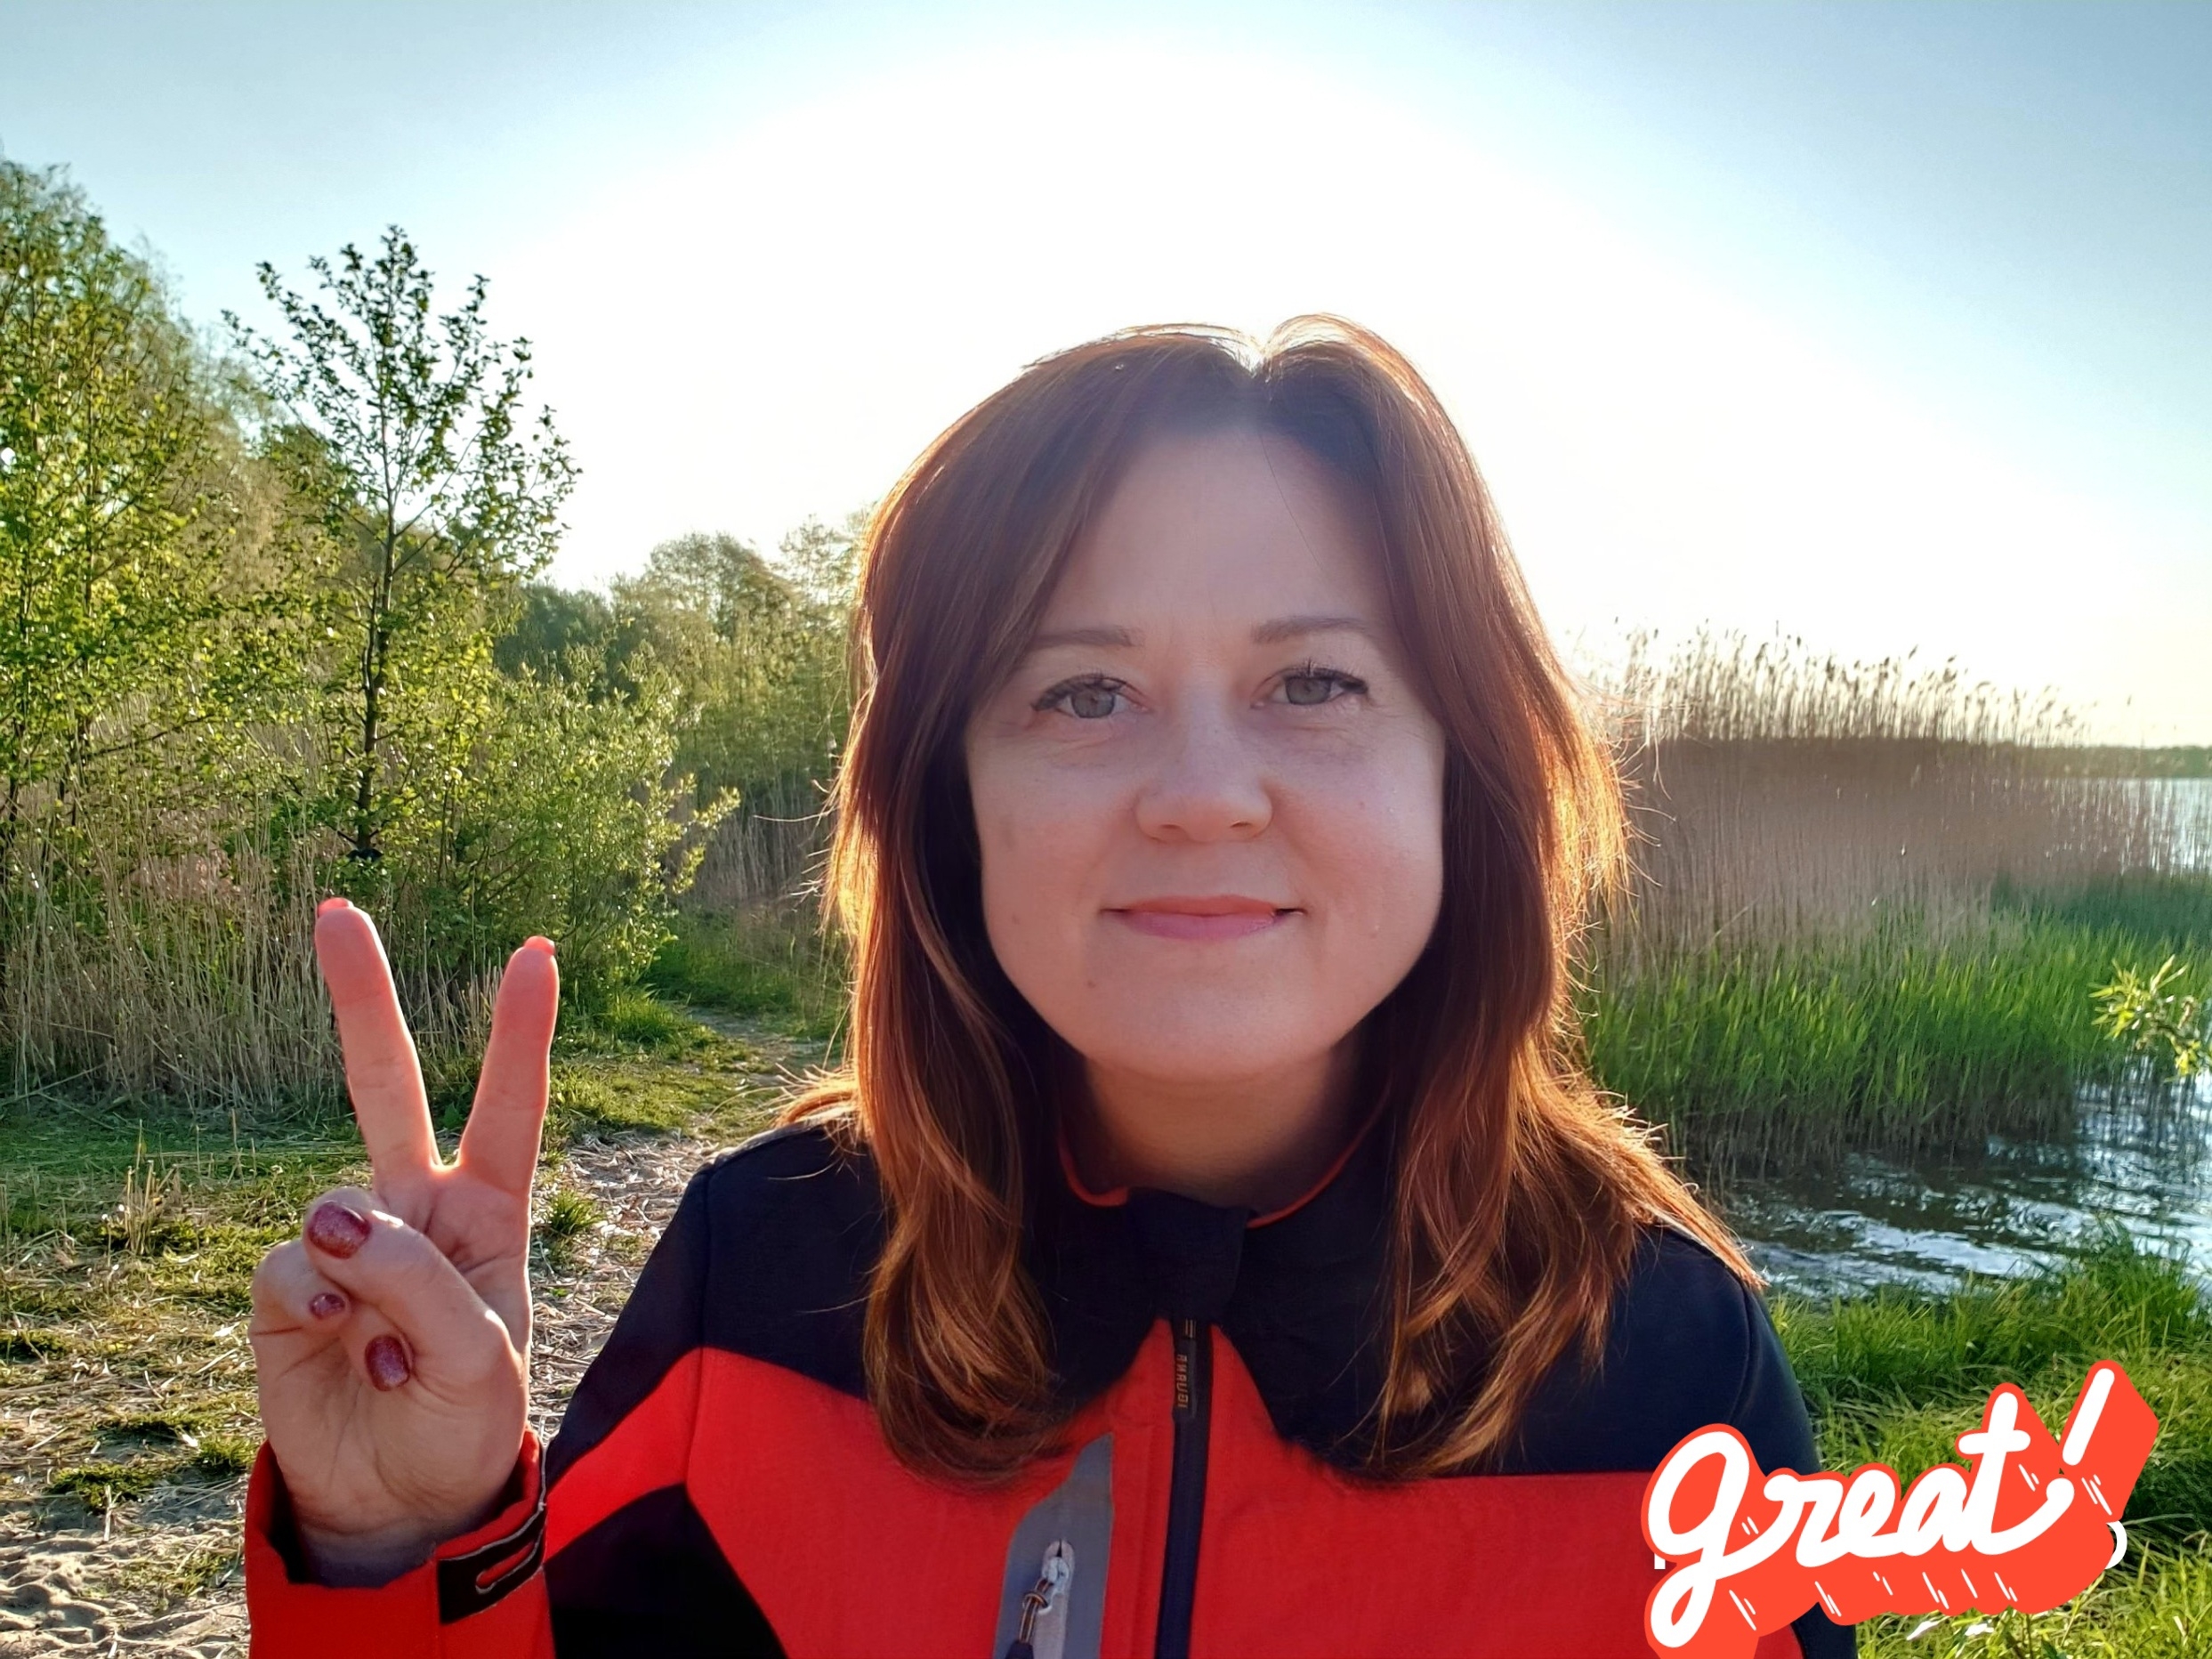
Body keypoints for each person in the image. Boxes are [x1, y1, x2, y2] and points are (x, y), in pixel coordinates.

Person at [243, 317, 1853, 1658]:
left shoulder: (1670, 1367)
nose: (1202, 794)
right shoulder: (763, 1272)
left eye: (1314, 681)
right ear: (948, 803)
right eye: (1083, 693)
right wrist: (403, 1546)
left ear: (1463, 776)